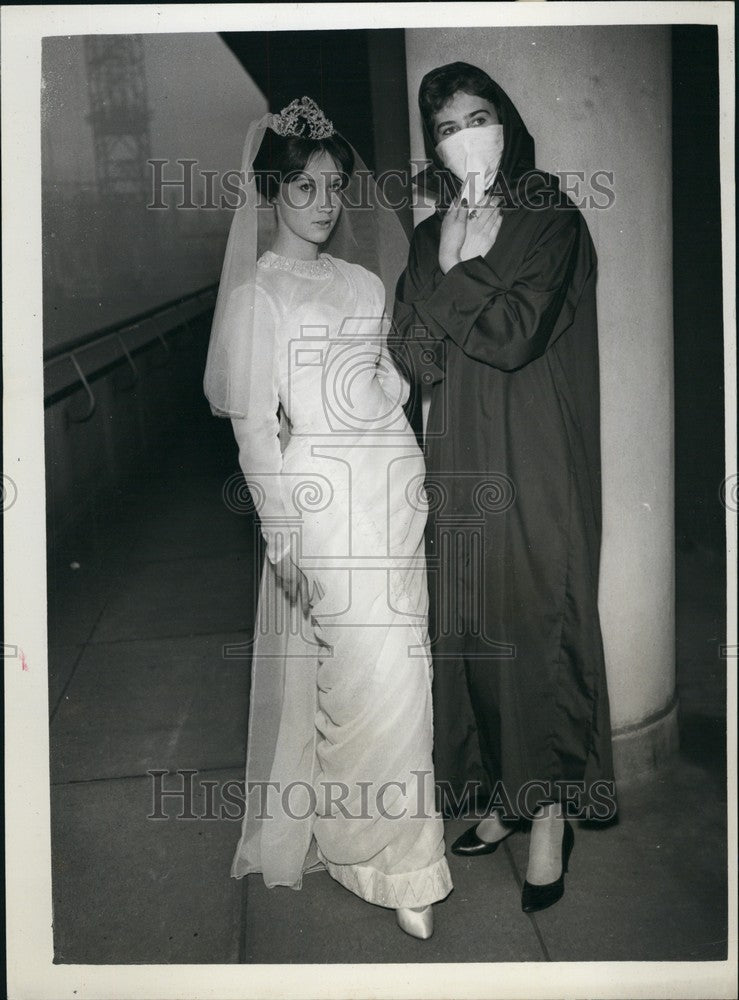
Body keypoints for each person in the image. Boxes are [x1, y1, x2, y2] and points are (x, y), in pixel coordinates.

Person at [203, 97, 452, 940]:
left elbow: (382, 377)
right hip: (323, 505)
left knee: (404, 672)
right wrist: (280, 535)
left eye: (335, 184)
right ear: (271, 190)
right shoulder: (255, 298)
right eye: (305, 184)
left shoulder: (361, 281)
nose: (324, 200)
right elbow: (253, 434)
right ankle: (391, 861)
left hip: (392, 487)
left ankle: (374, 850)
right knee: (372, 678)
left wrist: (387, 408)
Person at [391, 62, 616, 913]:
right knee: (472, 628)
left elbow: (516, 335)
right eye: (445, 128)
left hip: (531, 458)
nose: (463, 138)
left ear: (507, 121)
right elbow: (409, 358)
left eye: (476, 118)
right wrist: (447, 255)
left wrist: (458, 273)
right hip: (454, 463)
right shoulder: (425, 235)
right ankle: (493, 794)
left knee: (534, 621)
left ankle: (548, 814)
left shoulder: (546, 211)